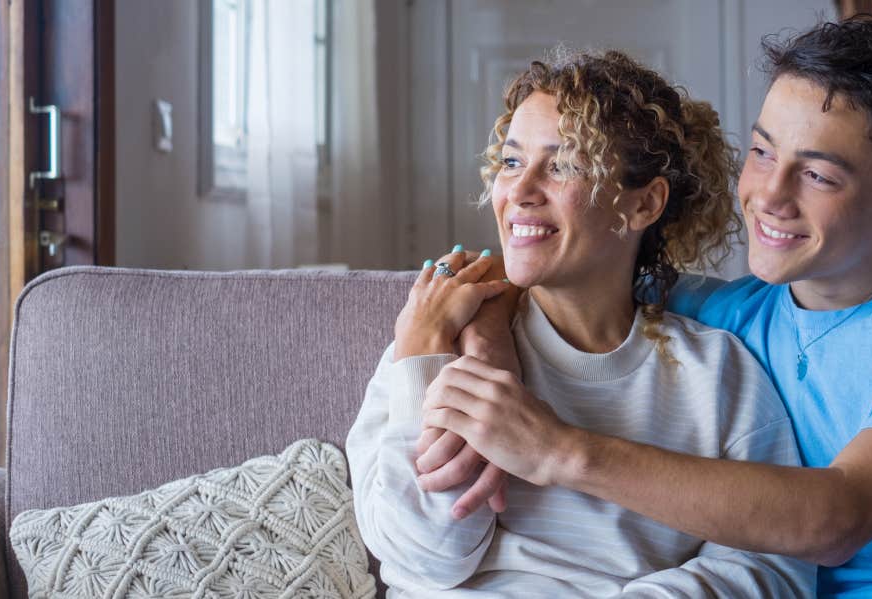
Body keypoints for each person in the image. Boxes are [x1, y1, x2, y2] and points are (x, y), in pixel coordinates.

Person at [418, 17, 872, 598]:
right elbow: (557, 270)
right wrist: (488, 345)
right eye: (760, 152)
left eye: (816, 174)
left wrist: (559, 450)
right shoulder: (727, 319)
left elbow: (842, 515)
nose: (770, 196)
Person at [345, 49, 815, 597]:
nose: (519, 191)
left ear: (643, 205)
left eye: (563, 164)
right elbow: (424, 560)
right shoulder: (435, 338)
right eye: (512, 161)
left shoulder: (717, 373)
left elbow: (771, 564)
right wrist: (424, 356)